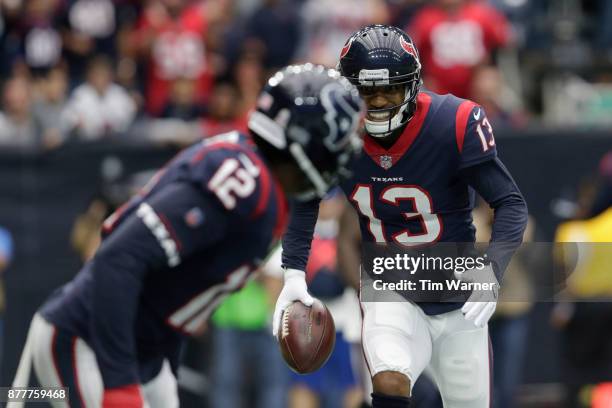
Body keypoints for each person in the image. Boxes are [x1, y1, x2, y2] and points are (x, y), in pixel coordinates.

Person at [9, 64, 364, 408]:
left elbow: (174, 300)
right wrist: (119, 383)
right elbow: (117, 258)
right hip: (90, 338)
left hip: (144, 350)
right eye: (336, 139)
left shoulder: (267, 187)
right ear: (302, 137)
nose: (342, 154)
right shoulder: (244, 181)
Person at [273, 25, 528, 408]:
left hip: (459, 289)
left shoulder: (453, 121)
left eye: (389, 89)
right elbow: (306, 200)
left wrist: (490, 270)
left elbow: (511, 203)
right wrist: (293, 272)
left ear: (412, 86)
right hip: (389, 284)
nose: (377, 101)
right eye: (366, 90)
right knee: (389, 380)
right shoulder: (337, 132)